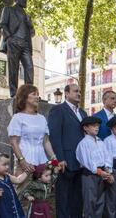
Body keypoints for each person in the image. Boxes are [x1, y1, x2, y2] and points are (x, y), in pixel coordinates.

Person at [47, 83, 88, 218]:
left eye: (80, 91)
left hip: (81, 163)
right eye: (75, 91)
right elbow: (55, 136)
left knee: (77, 199)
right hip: (65, 162)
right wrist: (59, 158)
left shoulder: (83, 113)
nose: (79, 94)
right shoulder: (58, 110)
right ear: (66, 93)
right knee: (63, 199)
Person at [8, 84, 56, 188]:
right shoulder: (18, 118)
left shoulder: (42, 118)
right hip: (25, 162)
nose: (37, 97)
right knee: (23, 196)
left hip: (42, 162)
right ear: (24, 97)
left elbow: (46, 141)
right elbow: (14, 142)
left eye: (38, 94)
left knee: (41, 196)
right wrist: (22, 161)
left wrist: (54, 159)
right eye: (34, 94)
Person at [76, 116, 114, 218]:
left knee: (100, 202)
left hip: (102, 175)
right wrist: (100, 172)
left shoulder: (100, 142)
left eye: (97, 126)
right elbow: (87, 162)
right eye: (93, 126)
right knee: (90, 202)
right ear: (85, 128)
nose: (97, 128)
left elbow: (107, 157)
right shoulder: (83, 144)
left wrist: (107, 170)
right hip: (90, 176)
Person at [0, 0, 35, 97]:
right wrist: (9, 38)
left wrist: (30, 25)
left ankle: (30, 93)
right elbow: (2, 25)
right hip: (14, 41)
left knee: (29, 67)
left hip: (26, 45)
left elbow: (32, 33)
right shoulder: (8, 10)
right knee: (13, 68)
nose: (26, 0)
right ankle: (14, 93)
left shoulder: (27, 16)